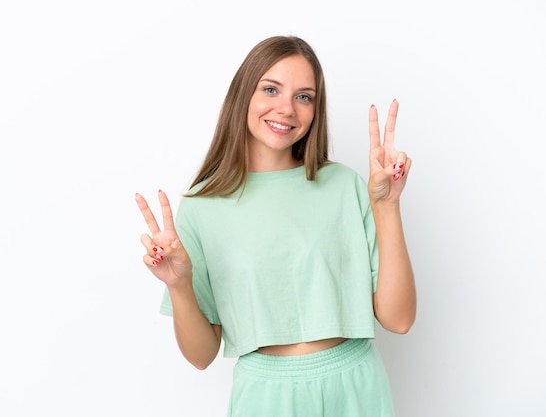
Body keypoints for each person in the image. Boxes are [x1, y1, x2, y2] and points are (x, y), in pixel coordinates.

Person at [135, 35, 416, 417]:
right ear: (243, 95)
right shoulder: (203, 206)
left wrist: (387, 207)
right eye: (271, 89)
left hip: (357, 387)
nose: (287, 109)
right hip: (265, 398)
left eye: (304, 97)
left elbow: (399, 320)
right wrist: (179, 285)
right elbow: (201, 357)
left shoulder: (347, 186)